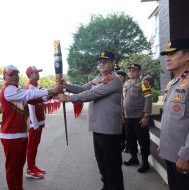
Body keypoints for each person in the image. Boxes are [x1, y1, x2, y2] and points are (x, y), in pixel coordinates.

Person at [58, 50, 124, 190]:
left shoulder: (114, 79)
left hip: (109, 130)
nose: (101, 63)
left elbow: (92, 93)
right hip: (98, 128)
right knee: (102, 163)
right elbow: (82, 88)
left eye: (105, 61)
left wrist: (69, 98)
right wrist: (66, 86)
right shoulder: (98, 79)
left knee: (112, 166)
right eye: (99, 61)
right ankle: (106, 186)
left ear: (113, 63)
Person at [0, 65, 61, 190]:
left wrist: (51, 95)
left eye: (16, 74)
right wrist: (51, 90)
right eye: (11, 74)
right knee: (12, 169)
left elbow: (34, 99)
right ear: (4, 77)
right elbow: (29, 95)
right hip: (11, 136)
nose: (15, 76)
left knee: (19, 167)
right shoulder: (8, 90)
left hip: (21, 133)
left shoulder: (18, 90)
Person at [158, 39, 189, 190]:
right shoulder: (171, 83)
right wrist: (163, 144)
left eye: (173, 53)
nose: (168, 58)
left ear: (187, 55)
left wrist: (185, 155)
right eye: (166, 55)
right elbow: (168, 116)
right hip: (170, 152)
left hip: (184, 157)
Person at [122, 63, 152, 173]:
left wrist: (146, 115)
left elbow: (148, 99)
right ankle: (134, 158)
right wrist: (122, 111)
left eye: (134, 70)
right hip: (127, 117)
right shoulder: (125, 83)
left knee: (143, 141)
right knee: (130, 139)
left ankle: (145, 163)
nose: (131, 72)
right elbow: (123, 98)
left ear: (139, 72)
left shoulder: (144, 83)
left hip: (140, 117)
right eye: (129, 70)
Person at [25, 66, 47, 179]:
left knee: (35, 145)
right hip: (35, 122)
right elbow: (30, 106)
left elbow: (43, 99)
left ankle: (33, 166)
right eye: (36, 73)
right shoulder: (29, 87)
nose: (38, 74)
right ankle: (30, 170)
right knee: (32, 146)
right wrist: (35, 123)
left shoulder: (36, 86)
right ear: (30, 75)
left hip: (39, 119)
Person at [116, 70, 129, 153]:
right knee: (120, 130)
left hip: (126, 112)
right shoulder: (115, 85)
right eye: (118, 76)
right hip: (118, 112)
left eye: (121, 76)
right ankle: (122, 144)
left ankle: (127, 146)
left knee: (126, 131)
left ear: (124, 77)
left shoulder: (127, 85)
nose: (119, 78)